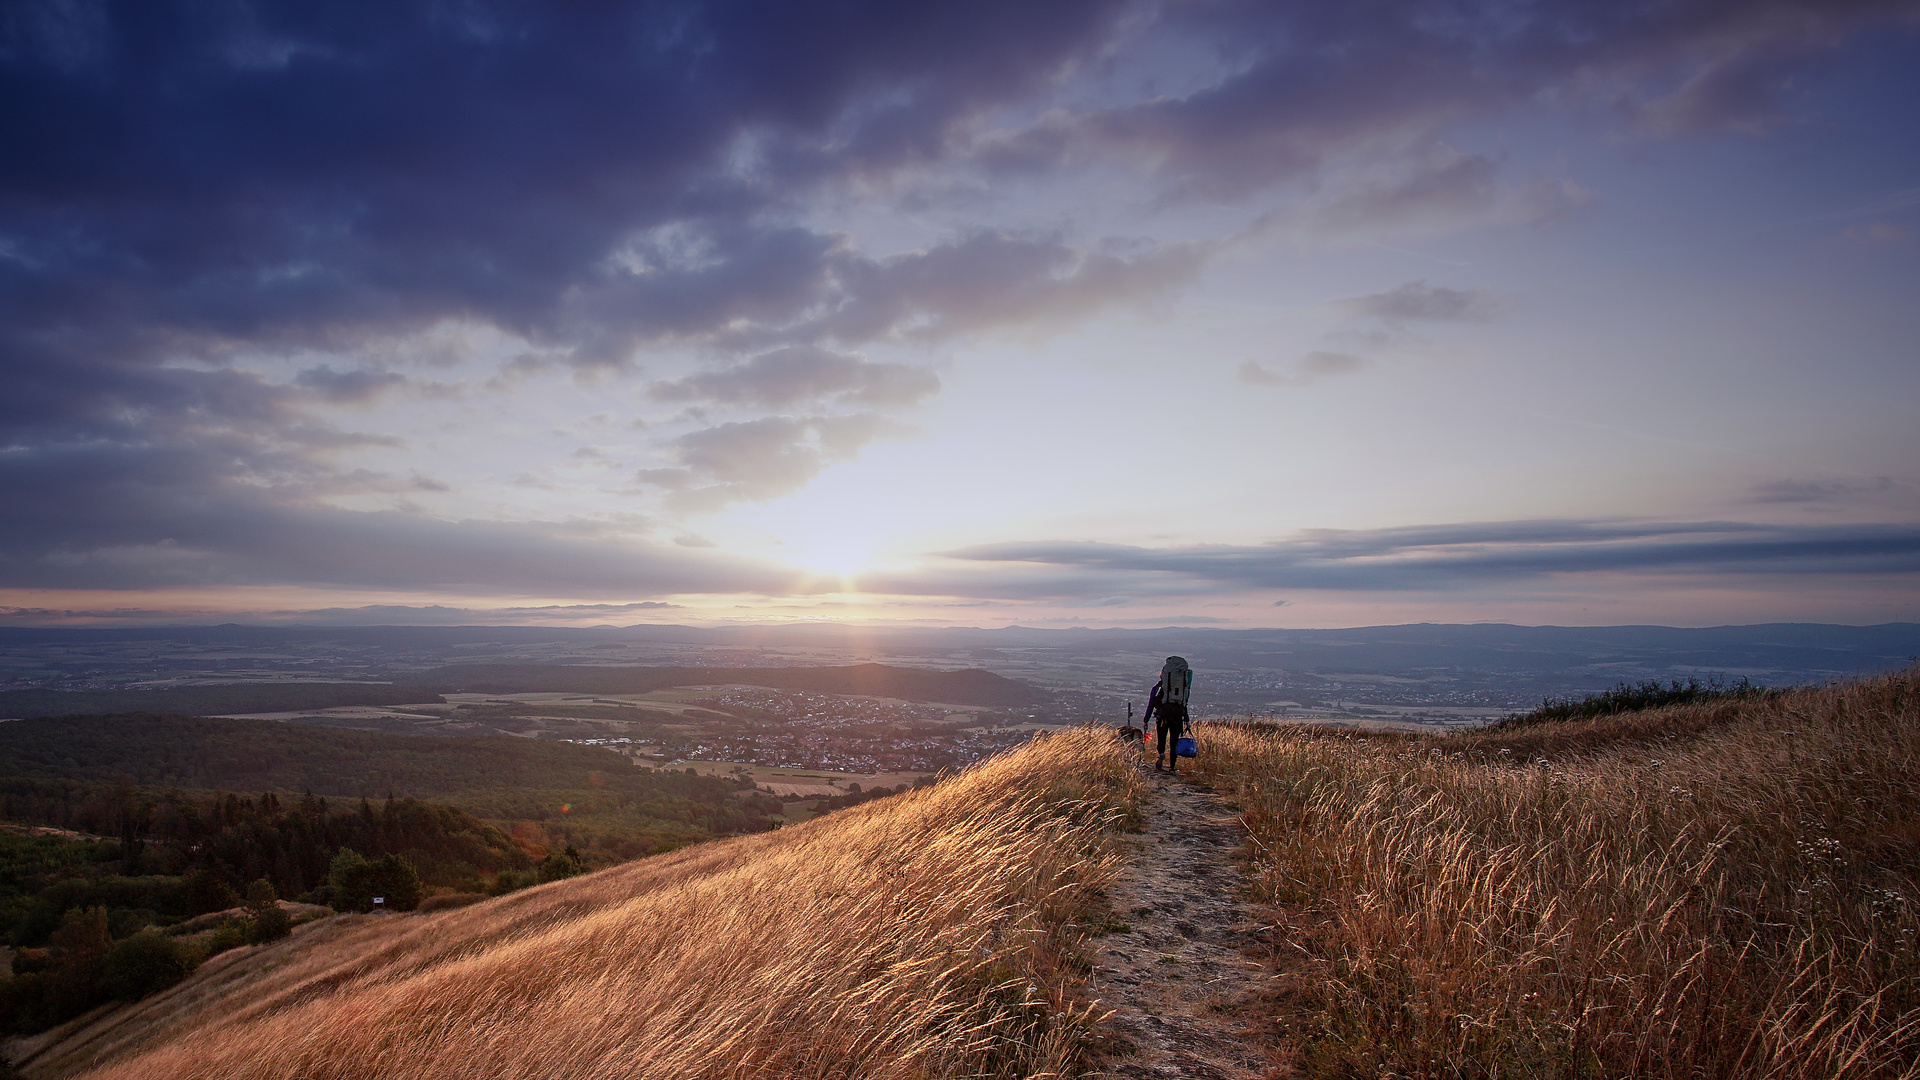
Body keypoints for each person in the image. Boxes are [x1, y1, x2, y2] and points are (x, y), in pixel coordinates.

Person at [1142, 656, 1192, 774]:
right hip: (1177, 716)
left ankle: (1161, 754)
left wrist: (1146, 720)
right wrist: (1186, 719)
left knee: (1162, 738)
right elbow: (1184, 704)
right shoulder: (1181, 690)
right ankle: (1172, 767)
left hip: (1162, 716)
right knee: (1174, 741)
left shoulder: (1157, 688)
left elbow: (1151, 705)